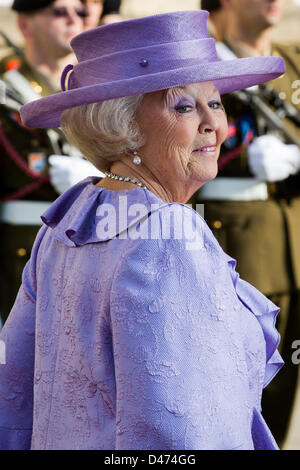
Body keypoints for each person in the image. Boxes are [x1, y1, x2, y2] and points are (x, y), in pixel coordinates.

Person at [0, 10, 285, 450]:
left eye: (215, 101)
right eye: (184, 105)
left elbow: (12, 401)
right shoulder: (167, 235)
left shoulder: (69, 218)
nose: (214, 124)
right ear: (125, 126)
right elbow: (177, 431)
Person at [196, 0, 300, 446]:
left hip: (293, 250)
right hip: (237, 254)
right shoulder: (199, 66)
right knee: (234, 403)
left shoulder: (292, 63)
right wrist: (235, 164)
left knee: (280, 405)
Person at [0, 0, 103, 325]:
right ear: (25, 25)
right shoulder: (7, 90)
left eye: (82, 11)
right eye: (59, 11)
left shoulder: (107, 89)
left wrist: (100, 177)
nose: (73, 19)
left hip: (98, 249)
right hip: (24, 253)